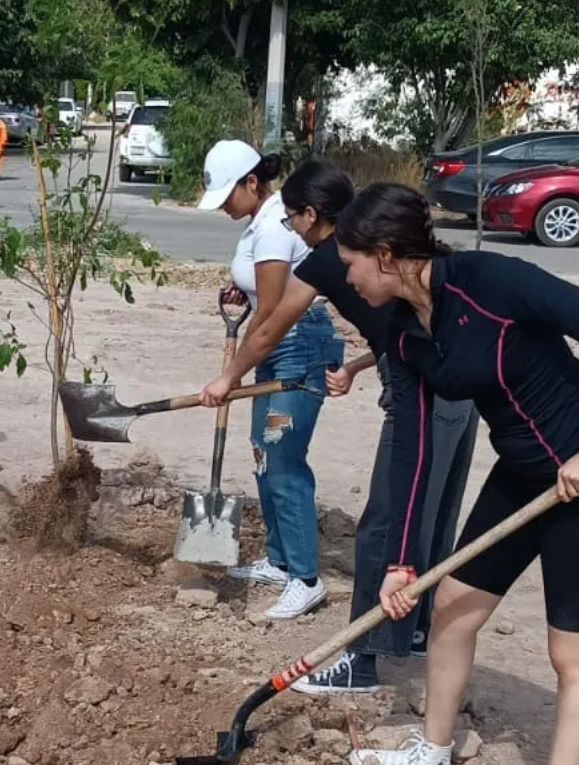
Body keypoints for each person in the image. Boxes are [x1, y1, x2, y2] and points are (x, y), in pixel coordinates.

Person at [334, 182, 579, 765]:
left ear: (387, 256)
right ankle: (432, 751)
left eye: (352, 261)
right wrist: (403, 561)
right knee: (450, 607)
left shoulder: (490, 283)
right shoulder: (401, 330)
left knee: (574, 656)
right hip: (524, 477)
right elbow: (414, 450)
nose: (347, 277)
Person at [199, 161, 478, 690]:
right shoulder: (382, 249)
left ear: (311, 215)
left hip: (422, 392)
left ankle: (364, 659)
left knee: (384, 523)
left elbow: (267, 332)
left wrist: (226, 379)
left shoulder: (327, 261)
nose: (290, 231)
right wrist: (354, 365)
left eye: (291, 220)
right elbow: (405, 322)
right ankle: (416, 630)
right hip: (460, 390)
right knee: (432, 516)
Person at [195, 139, 343, 621]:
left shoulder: (277, 225)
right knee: (264, 453)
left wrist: (228, 376)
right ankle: (280, 562)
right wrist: (244, 290)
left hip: (296, 347)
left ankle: (305, 578)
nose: (222, 208)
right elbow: (266, 294)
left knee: (283, 460)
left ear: (252, 183)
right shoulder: (260, 220)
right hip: (279, 345)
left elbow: (277, 313)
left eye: (226, 196)